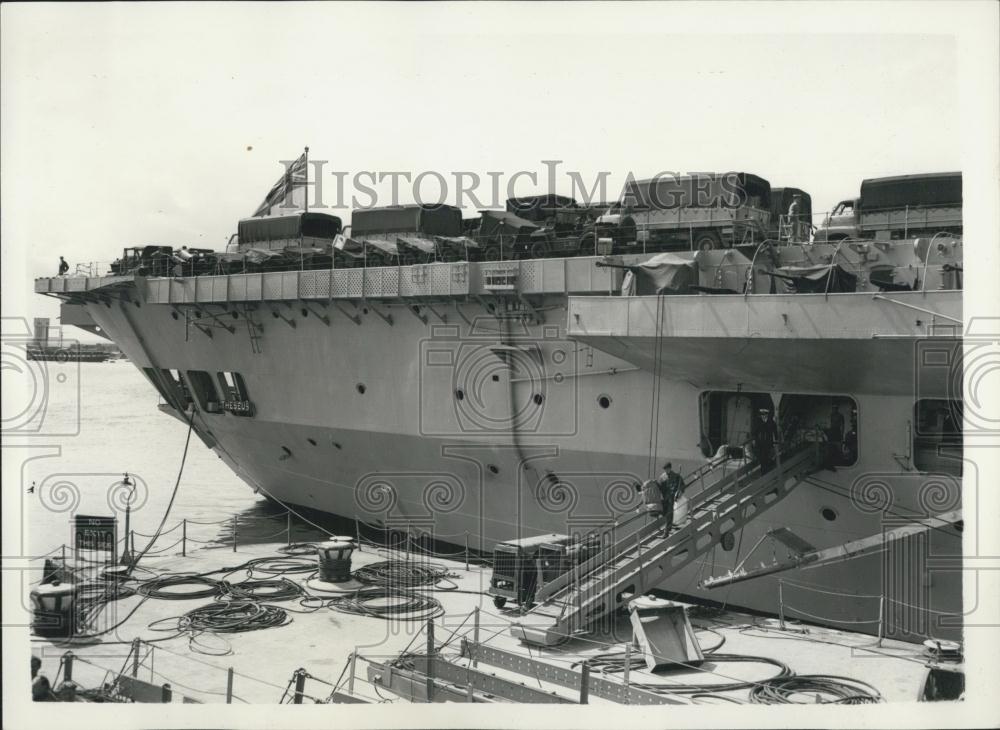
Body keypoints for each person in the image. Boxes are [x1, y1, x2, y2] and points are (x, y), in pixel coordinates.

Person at [655, 462, 685, 537]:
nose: (666, 470)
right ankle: (671, 523)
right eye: (665, 469)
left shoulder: (676, 476)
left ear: (670, 468)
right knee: (662, 511)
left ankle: (666, 531)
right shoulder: (662, 477)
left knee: (669, 513)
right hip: (665, 498)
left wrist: (679, 491)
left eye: (667, 469)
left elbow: (682, 485)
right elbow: (660, 488)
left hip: (672, 498)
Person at [751, 408, 778, 474]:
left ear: (767, 415)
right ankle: (764, 472)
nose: (763, 416)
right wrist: (754, 440)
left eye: (764, 414)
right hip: (760, 443)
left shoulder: (771, 422)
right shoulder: (758, 422)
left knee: (767, 457)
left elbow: (775, 432)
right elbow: (755, 432)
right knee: (762, 458)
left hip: (768, 443)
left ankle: (766, 471)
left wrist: (776, 440)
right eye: (762, 415)